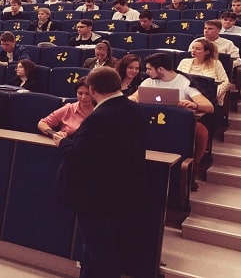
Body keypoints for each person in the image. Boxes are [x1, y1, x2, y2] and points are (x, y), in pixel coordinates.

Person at [55, 67, 146, 278]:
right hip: (123, 190)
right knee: (104, 249)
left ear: (93, 89)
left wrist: (63, 143)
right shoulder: (136, 110)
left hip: (96, 195)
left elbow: (79, 156)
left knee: (98, 251)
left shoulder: (99, 117)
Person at [131, 53, 213, 190]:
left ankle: (190, 172)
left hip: (177, 126)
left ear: (161, 69)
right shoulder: (149, 81)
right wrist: (133, 99)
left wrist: (194, 105)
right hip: (152, 124)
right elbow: (133, 97)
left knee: (201, 132)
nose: (147, 72)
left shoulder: (185, 83)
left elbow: (209, 107)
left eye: (149, 69)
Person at [178, 38, 230, 106]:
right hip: (186, 93)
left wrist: (218, 93)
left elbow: (225, 81)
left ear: (206, 52)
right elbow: (178, 78)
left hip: (206, 95)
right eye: (193, 48)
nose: (193, 50)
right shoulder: (184, 61)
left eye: (198, 49)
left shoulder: (216, 63)